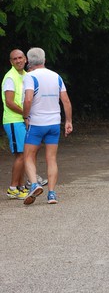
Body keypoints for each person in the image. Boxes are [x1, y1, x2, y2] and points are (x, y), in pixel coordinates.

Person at [22, 47, 73, 205]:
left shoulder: (30, 76)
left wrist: (25, 116)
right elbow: (65, 101)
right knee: (51, 158)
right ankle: (51, 194)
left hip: (37, 123)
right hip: (54, 123)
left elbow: (28, 99)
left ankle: (35, 184)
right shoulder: (56, 76)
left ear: (29, 62)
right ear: (44, 60)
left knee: (28, 156)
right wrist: (69, 121)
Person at [1, 49, 47, 200]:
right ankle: (13, 188)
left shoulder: (26, 76)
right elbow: (9, 102)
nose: (18, 60)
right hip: (14, 120)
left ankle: (22, 186)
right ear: (11, 62)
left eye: (20, 58)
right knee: (21, 155)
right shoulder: (10, 77)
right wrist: (25, 113)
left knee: (28, 152)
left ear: (26, 59)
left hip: (24, 119)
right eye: (15, 59)